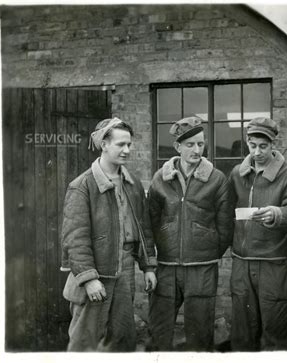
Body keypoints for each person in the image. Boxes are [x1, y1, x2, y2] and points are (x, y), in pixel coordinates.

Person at [60, 117, 157, 351]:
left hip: (124, 274)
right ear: (104, 144)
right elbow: (75, 238)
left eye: (129, 145)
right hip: (95, 273)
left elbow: (143, 229)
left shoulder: (132, 183)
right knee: (85, 343)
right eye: (120, 144)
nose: (127, 150)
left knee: (122, 340)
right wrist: (89, 278)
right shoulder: (82, 185)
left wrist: (148, 267)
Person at [147, 116, 233, 351]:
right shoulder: (160, 178)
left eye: (201, 144)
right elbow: (150, 221)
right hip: (166, 267)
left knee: (200, 335)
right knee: (159, 332)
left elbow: (226, 227)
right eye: (190, 145)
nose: (197, 150)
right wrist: (159, 252)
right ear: (177, 147)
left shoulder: (216, 179)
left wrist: (206, 251)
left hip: (202, 268)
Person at [228, 117, 287, 351]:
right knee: (242, 335)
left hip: (274, 265)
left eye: (264, 146)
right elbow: (225, 214)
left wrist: (277, 214)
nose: (258, 152)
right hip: (242, 264)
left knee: (276, 335)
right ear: (247, 143)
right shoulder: (237, 175)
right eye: (253, 146)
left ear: (273, 145)